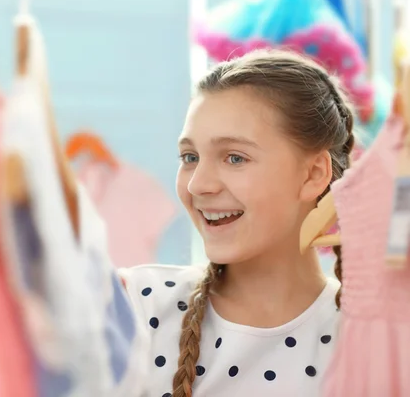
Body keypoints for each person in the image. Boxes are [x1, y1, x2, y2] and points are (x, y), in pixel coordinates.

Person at [118, 49, 354, 397]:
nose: (198, 184)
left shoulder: (369, 339)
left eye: (234, 158)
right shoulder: (135, 305)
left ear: (313, 174)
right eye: (190, 157)